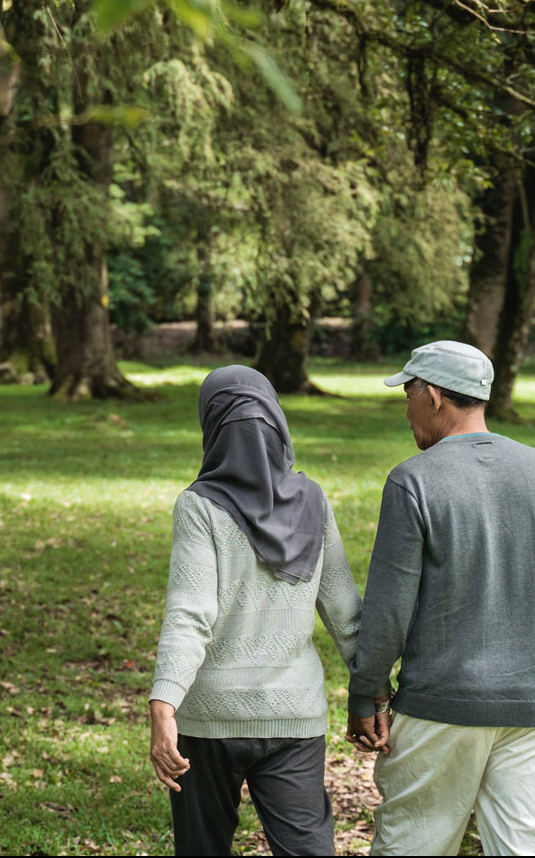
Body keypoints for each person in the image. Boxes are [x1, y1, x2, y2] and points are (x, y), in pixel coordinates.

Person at [347, 340, 535, 856]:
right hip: (533, 705)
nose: (405, 411)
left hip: (439, 707)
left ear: (431, 396)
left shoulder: (412, 480)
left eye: (406, 394)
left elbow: (388, 613)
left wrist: (367, 693)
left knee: (413, 845)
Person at [147, 365, 362, 857]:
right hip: (294, 715)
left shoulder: (200, 506)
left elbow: (190, 613)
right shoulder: (313, 501)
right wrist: (374, 690)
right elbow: (346, 611)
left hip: (208, 718)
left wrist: (164, 704)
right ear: (279, 423)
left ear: (211, 427)